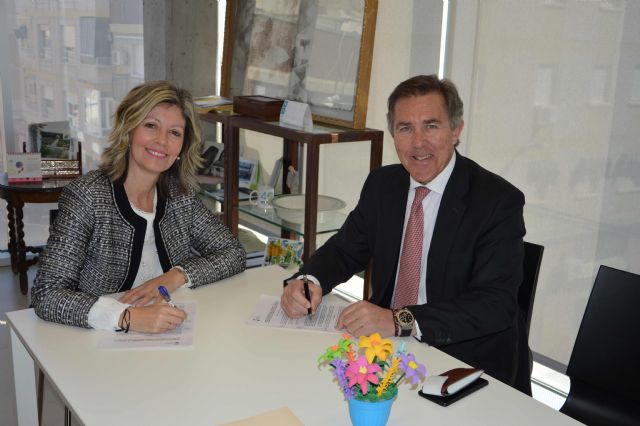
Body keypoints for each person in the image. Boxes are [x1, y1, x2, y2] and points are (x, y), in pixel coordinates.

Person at [280, 74, 531, 394]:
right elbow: (344, 249)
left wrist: (399, 320)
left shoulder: (497, 201)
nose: (418, 143)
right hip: (387, 352)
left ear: (456, 130)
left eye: (431, 126)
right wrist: (308, 281)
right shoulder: (383, 185)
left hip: (462, 361)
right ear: (393, 135)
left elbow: (494, 304)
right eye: (405, 128)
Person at [31, 80, 246, 333]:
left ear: (182, 147)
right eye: (151, 125)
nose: (162, 141)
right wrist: (126, 317)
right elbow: (47, 293)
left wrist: (175, 276)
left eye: (175, 133)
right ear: (129, 129)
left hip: (169, 328)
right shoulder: (87, 195)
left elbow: (233, 253)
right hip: (95, 336)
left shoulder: (180, 195)